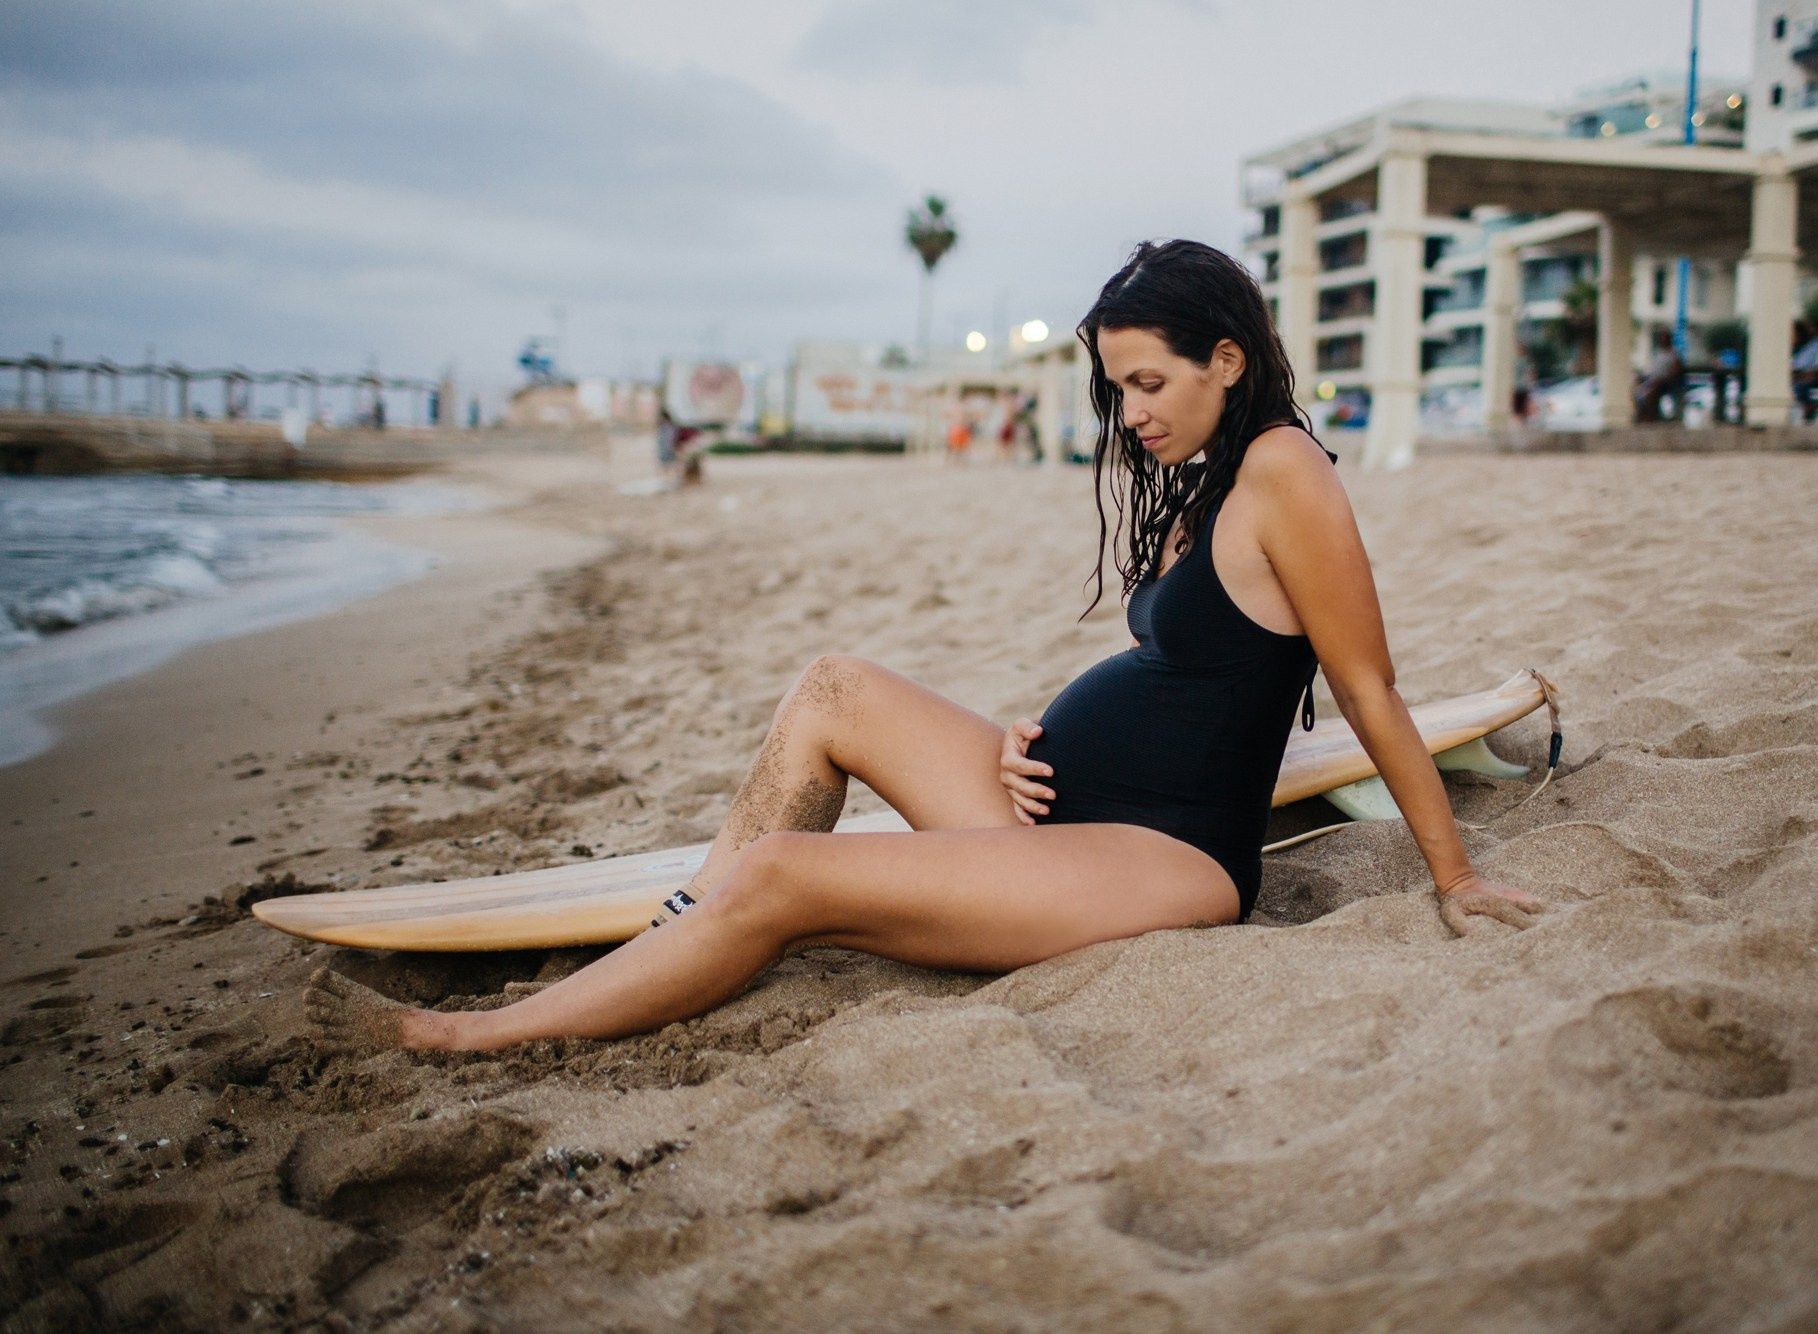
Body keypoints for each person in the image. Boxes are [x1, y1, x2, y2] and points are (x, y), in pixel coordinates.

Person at [305, 240, 1545, 1053]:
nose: (1132, 412)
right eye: (1115, 389)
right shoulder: (1208, 476)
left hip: (1161, 861)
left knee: (792, 878)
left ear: (1229, 359)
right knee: (831, 687)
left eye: (1152, 382)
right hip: (1062, 807)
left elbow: (1365, 687)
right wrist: (1034, 736)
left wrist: (1453, 877)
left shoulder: (1283, 472)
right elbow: (1187, 679)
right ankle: (690, 919)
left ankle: (464, 1040)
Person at [1633, 329, 1685, 423]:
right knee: (1636, 389)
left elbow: (1675, 372)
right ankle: (1641, 414)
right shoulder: (1657, 353)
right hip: (1653, 379)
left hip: (1665, 382)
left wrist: (1665, 379)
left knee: (1653, 390)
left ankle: (1650, 416)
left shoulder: (1674, 355)